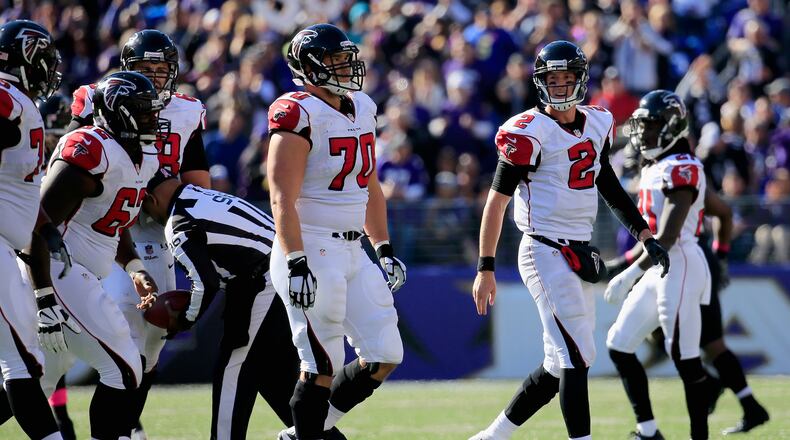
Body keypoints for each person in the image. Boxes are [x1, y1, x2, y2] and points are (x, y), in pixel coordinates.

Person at [469, 40, 669, 440]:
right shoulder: (528, 131)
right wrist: (485, 267)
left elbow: (606, 181)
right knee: (575, 356)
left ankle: (492, 437)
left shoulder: (598, 121)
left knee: (559, 364)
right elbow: (496, 203)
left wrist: (643, 233)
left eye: (567, 78)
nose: (560, 87)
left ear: (581, 79)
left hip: (578, 250)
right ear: (540, 82)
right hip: (542, 248)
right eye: (552, 79)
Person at [266, 24, 407, 440]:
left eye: (346, 57)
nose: (345, 66)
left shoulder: (361, 106)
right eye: (333, 60)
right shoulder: (297, 111)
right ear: (308, 67)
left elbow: (368, 184)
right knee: (320, 366)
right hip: (310, 245)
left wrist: (382, 246)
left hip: (352, 249)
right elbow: (281, 198)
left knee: (385, 354)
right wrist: (296, 260)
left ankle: (307, 431)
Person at [69, 29, 210, 439]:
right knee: (123, 349)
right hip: (102, 232)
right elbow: (75, 159)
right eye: (144, 68)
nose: (154, 76)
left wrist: (166, 195)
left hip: (153, 237)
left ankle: (127, 426)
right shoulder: (98, 98)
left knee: (150, 348)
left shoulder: (185, 112)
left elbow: (198, 185)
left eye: (160, 68)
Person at [140, 170, 345, 440]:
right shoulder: (206, 195)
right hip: (289, 277)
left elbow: (205, 283)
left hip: (263, 282)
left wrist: (185, 319)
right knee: (277, 380)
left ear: (152, 199)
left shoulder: (179, 221)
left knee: (232, 371)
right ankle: (319, 436)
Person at [22, 71, 162, 439]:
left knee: (35, 384)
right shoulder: (91, 148)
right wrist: (43, 295)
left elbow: (114, 222)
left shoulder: (143, 157)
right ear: (118, 112)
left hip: (78, 274)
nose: (154, 117)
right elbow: (36, 222)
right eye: (144, 111)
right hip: (58, 271)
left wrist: (133, 266)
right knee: (126, 368)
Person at [609, 178, 770, 437]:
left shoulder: (678, 173)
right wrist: (721, 255)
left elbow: (665, 236)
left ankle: (721, 392)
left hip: (683, 264)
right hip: (683, 262)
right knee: (700, 343)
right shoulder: (667, 172)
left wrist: (721, 255)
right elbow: (721, 214)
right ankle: (747, 403)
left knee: (695, 348)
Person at [604, 90, 721, 440]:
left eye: (652, 126)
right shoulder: (656, 166)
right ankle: (648, 431)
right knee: (619, 344)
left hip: (680, 262)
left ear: (672, 127)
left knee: (684, 359)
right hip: (659, 266)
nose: (644, 134)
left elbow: (667, 236)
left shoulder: (683, 167)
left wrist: (627, 275)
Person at [0, 19, 66, 440]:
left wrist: (41, 228)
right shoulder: (6, 98)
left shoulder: (19, 102)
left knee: (20, 362)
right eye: (43, 60)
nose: (49, 70)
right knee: (22, 362)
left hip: (9, 250)